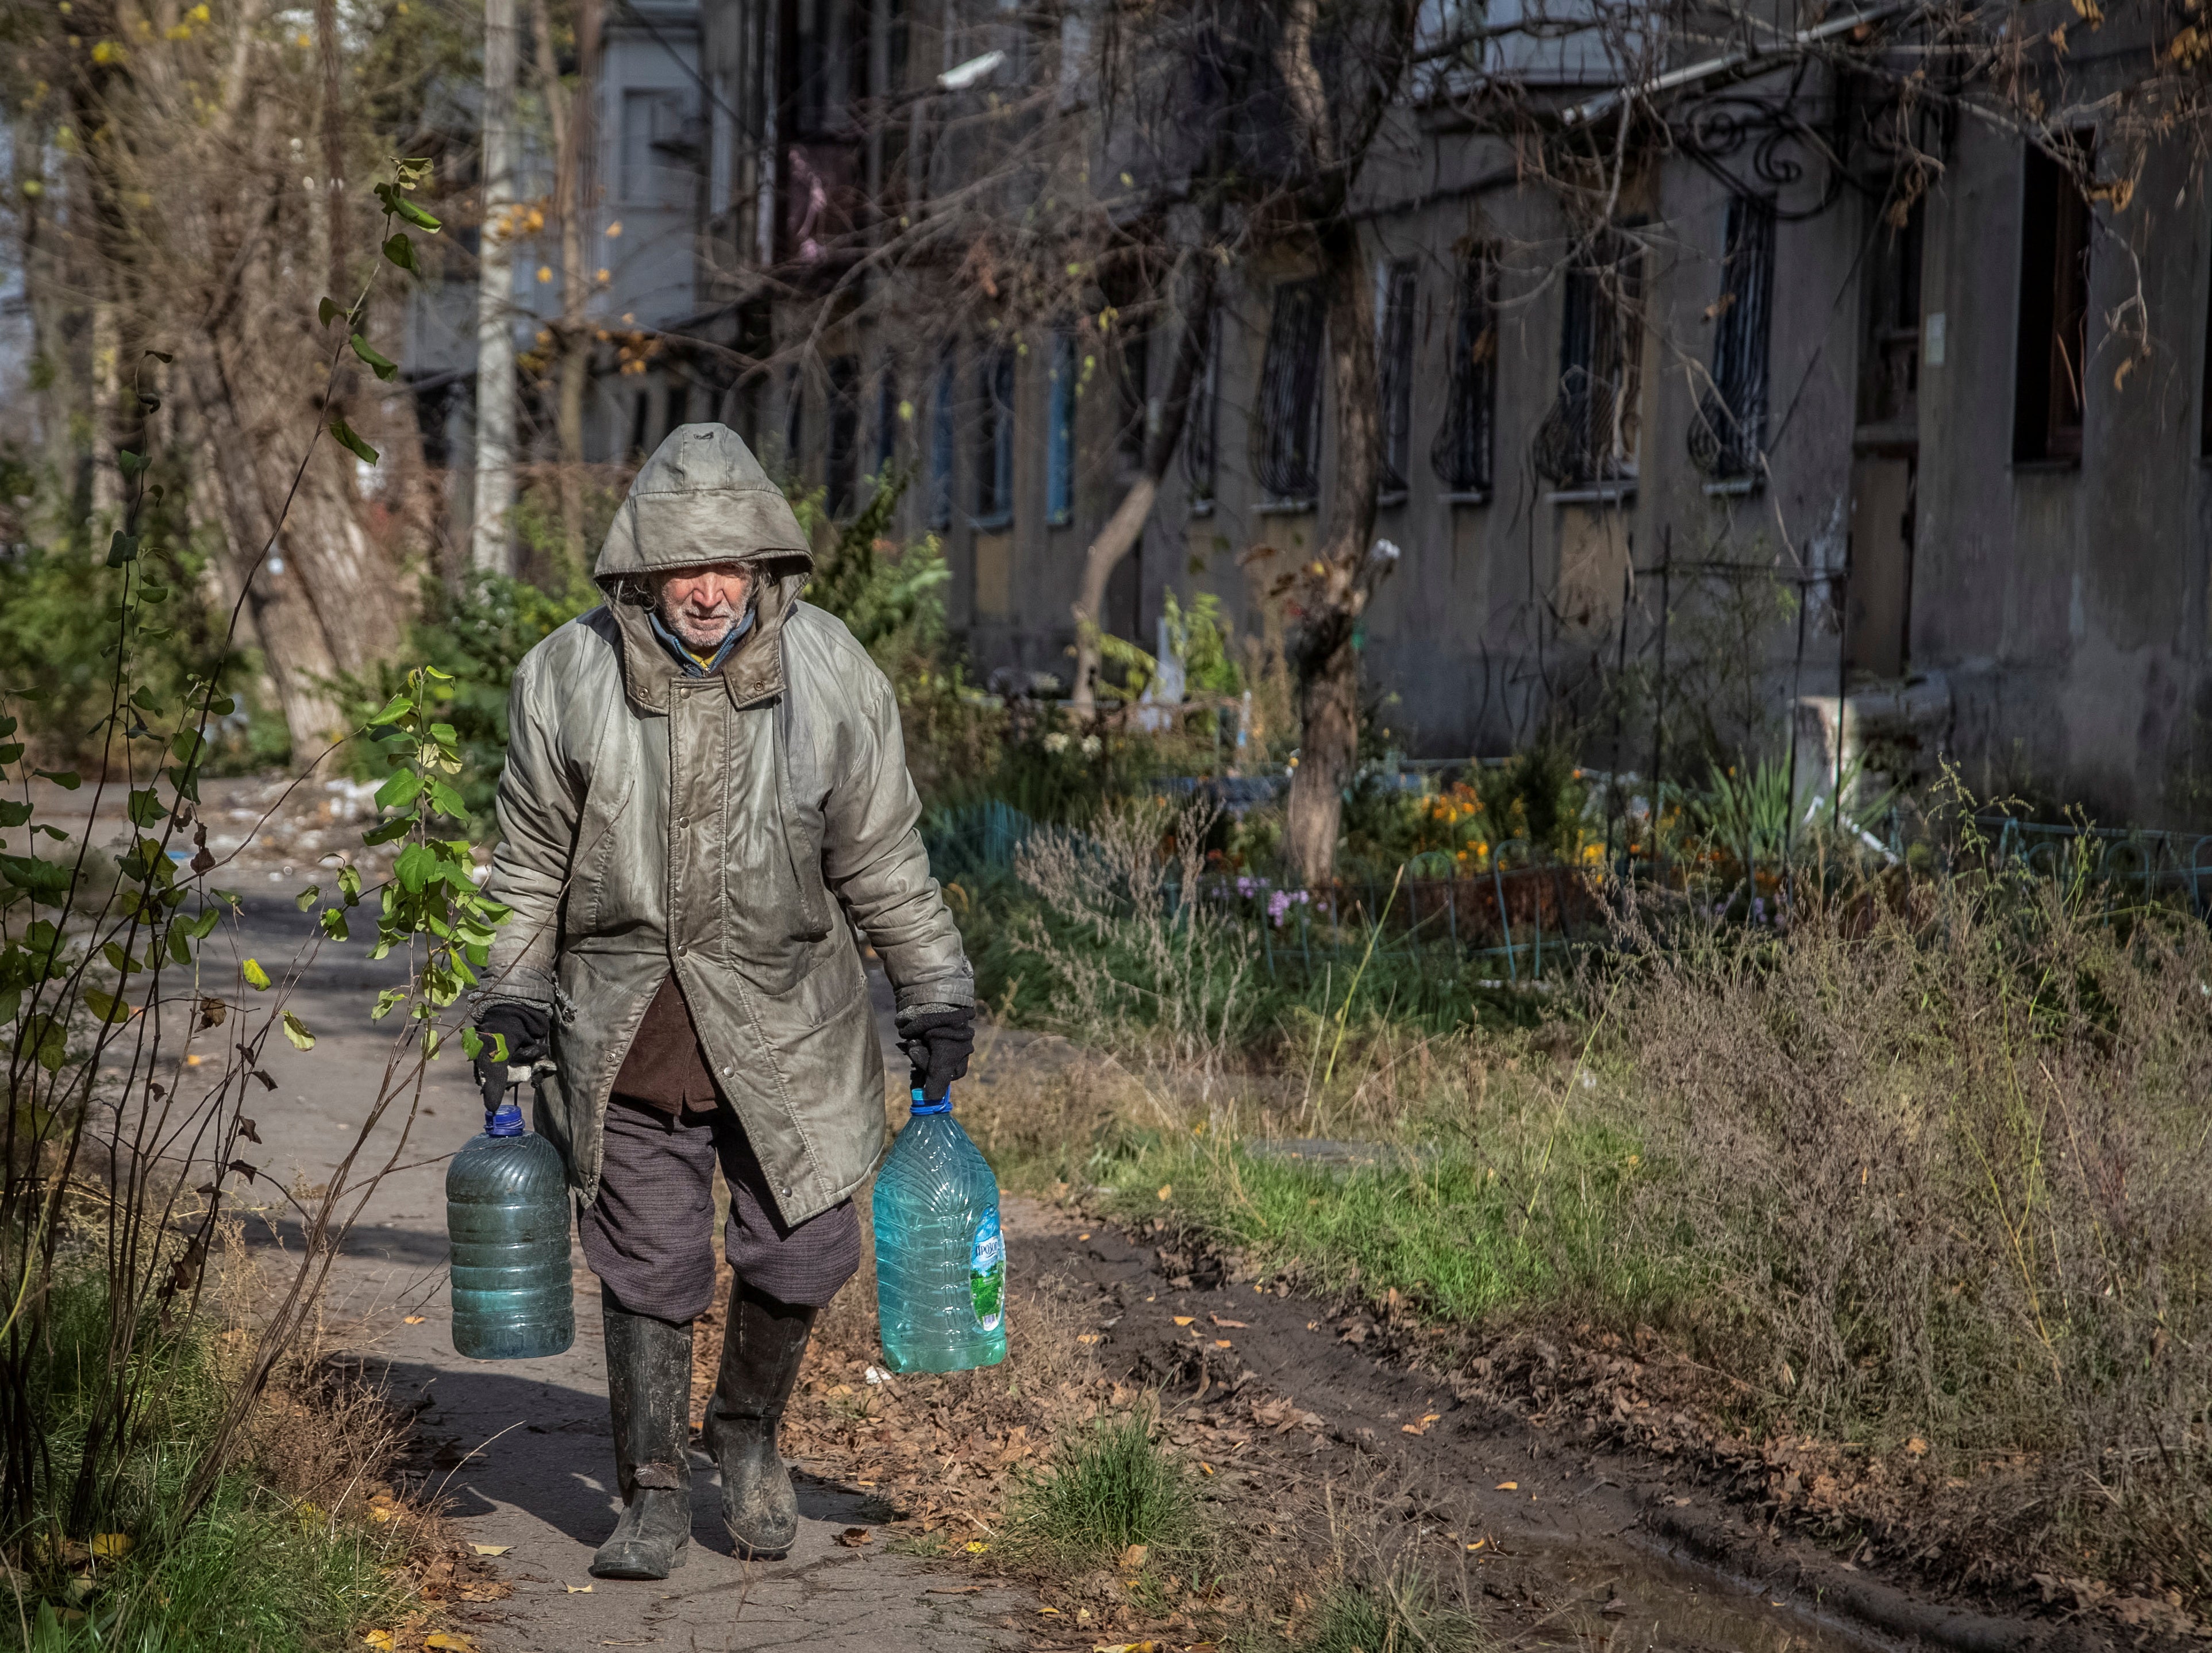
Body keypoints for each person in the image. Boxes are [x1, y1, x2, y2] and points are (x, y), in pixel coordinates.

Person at [469, 423, 975, 1581]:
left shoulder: (834, 673)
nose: (705, 590)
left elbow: (884, 859)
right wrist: (511, 999)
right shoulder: (565, 675)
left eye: (728, 564)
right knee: (645, 1262)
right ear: (640, 569)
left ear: (764, 568)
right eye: (682, 566)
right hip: (628, 1032)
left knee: (802, 1253)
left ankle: (743, 1436)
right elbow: (529, 864)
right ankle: (649, 1488)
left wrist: (936, 989)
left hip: (791, 1030)